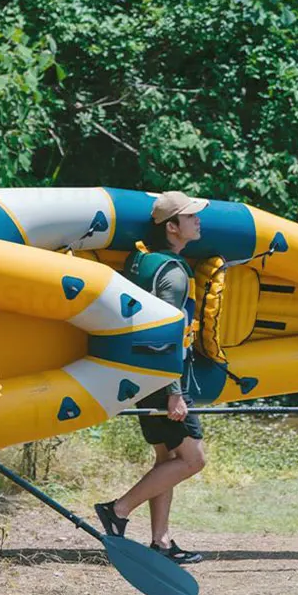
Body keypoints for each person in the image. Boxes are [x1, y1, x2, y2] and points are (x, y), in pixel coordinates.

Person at [95, 191, 208, 564]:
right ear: (171, 227)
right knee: (193, 460)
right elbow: (166, 335)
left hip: (144, 377)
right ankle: (118, 510)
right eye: (190, 217)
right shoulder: (173, 273)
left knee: (167, 460)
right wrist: (174, 393)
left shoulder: (141, 261)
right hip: (164, 381)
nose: (198, 221)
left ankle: (161, 541)